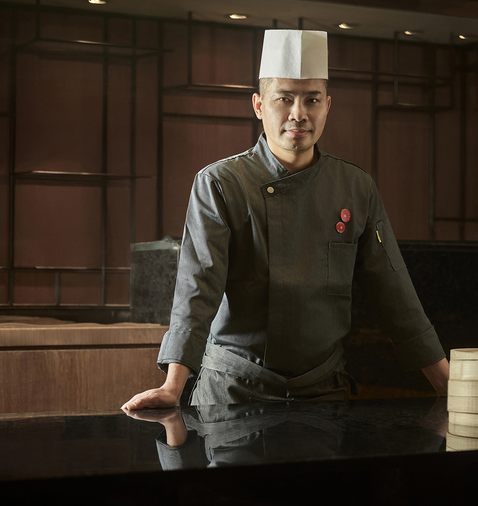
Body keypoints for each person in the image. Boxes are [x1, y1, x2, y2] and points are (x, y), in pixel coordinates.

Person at [122, 29, 449, 410]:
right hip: (234, 392)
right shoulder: (221, 183)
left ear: (328, 105)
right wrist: (172, 387)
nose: (299, 114)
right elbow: (199, 286)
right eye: (284, 99)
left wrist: (446, 383)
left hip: (323, 393)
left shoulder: (355, 186)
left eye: (312, 99)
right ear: (259, 105)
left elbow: (394, 290)